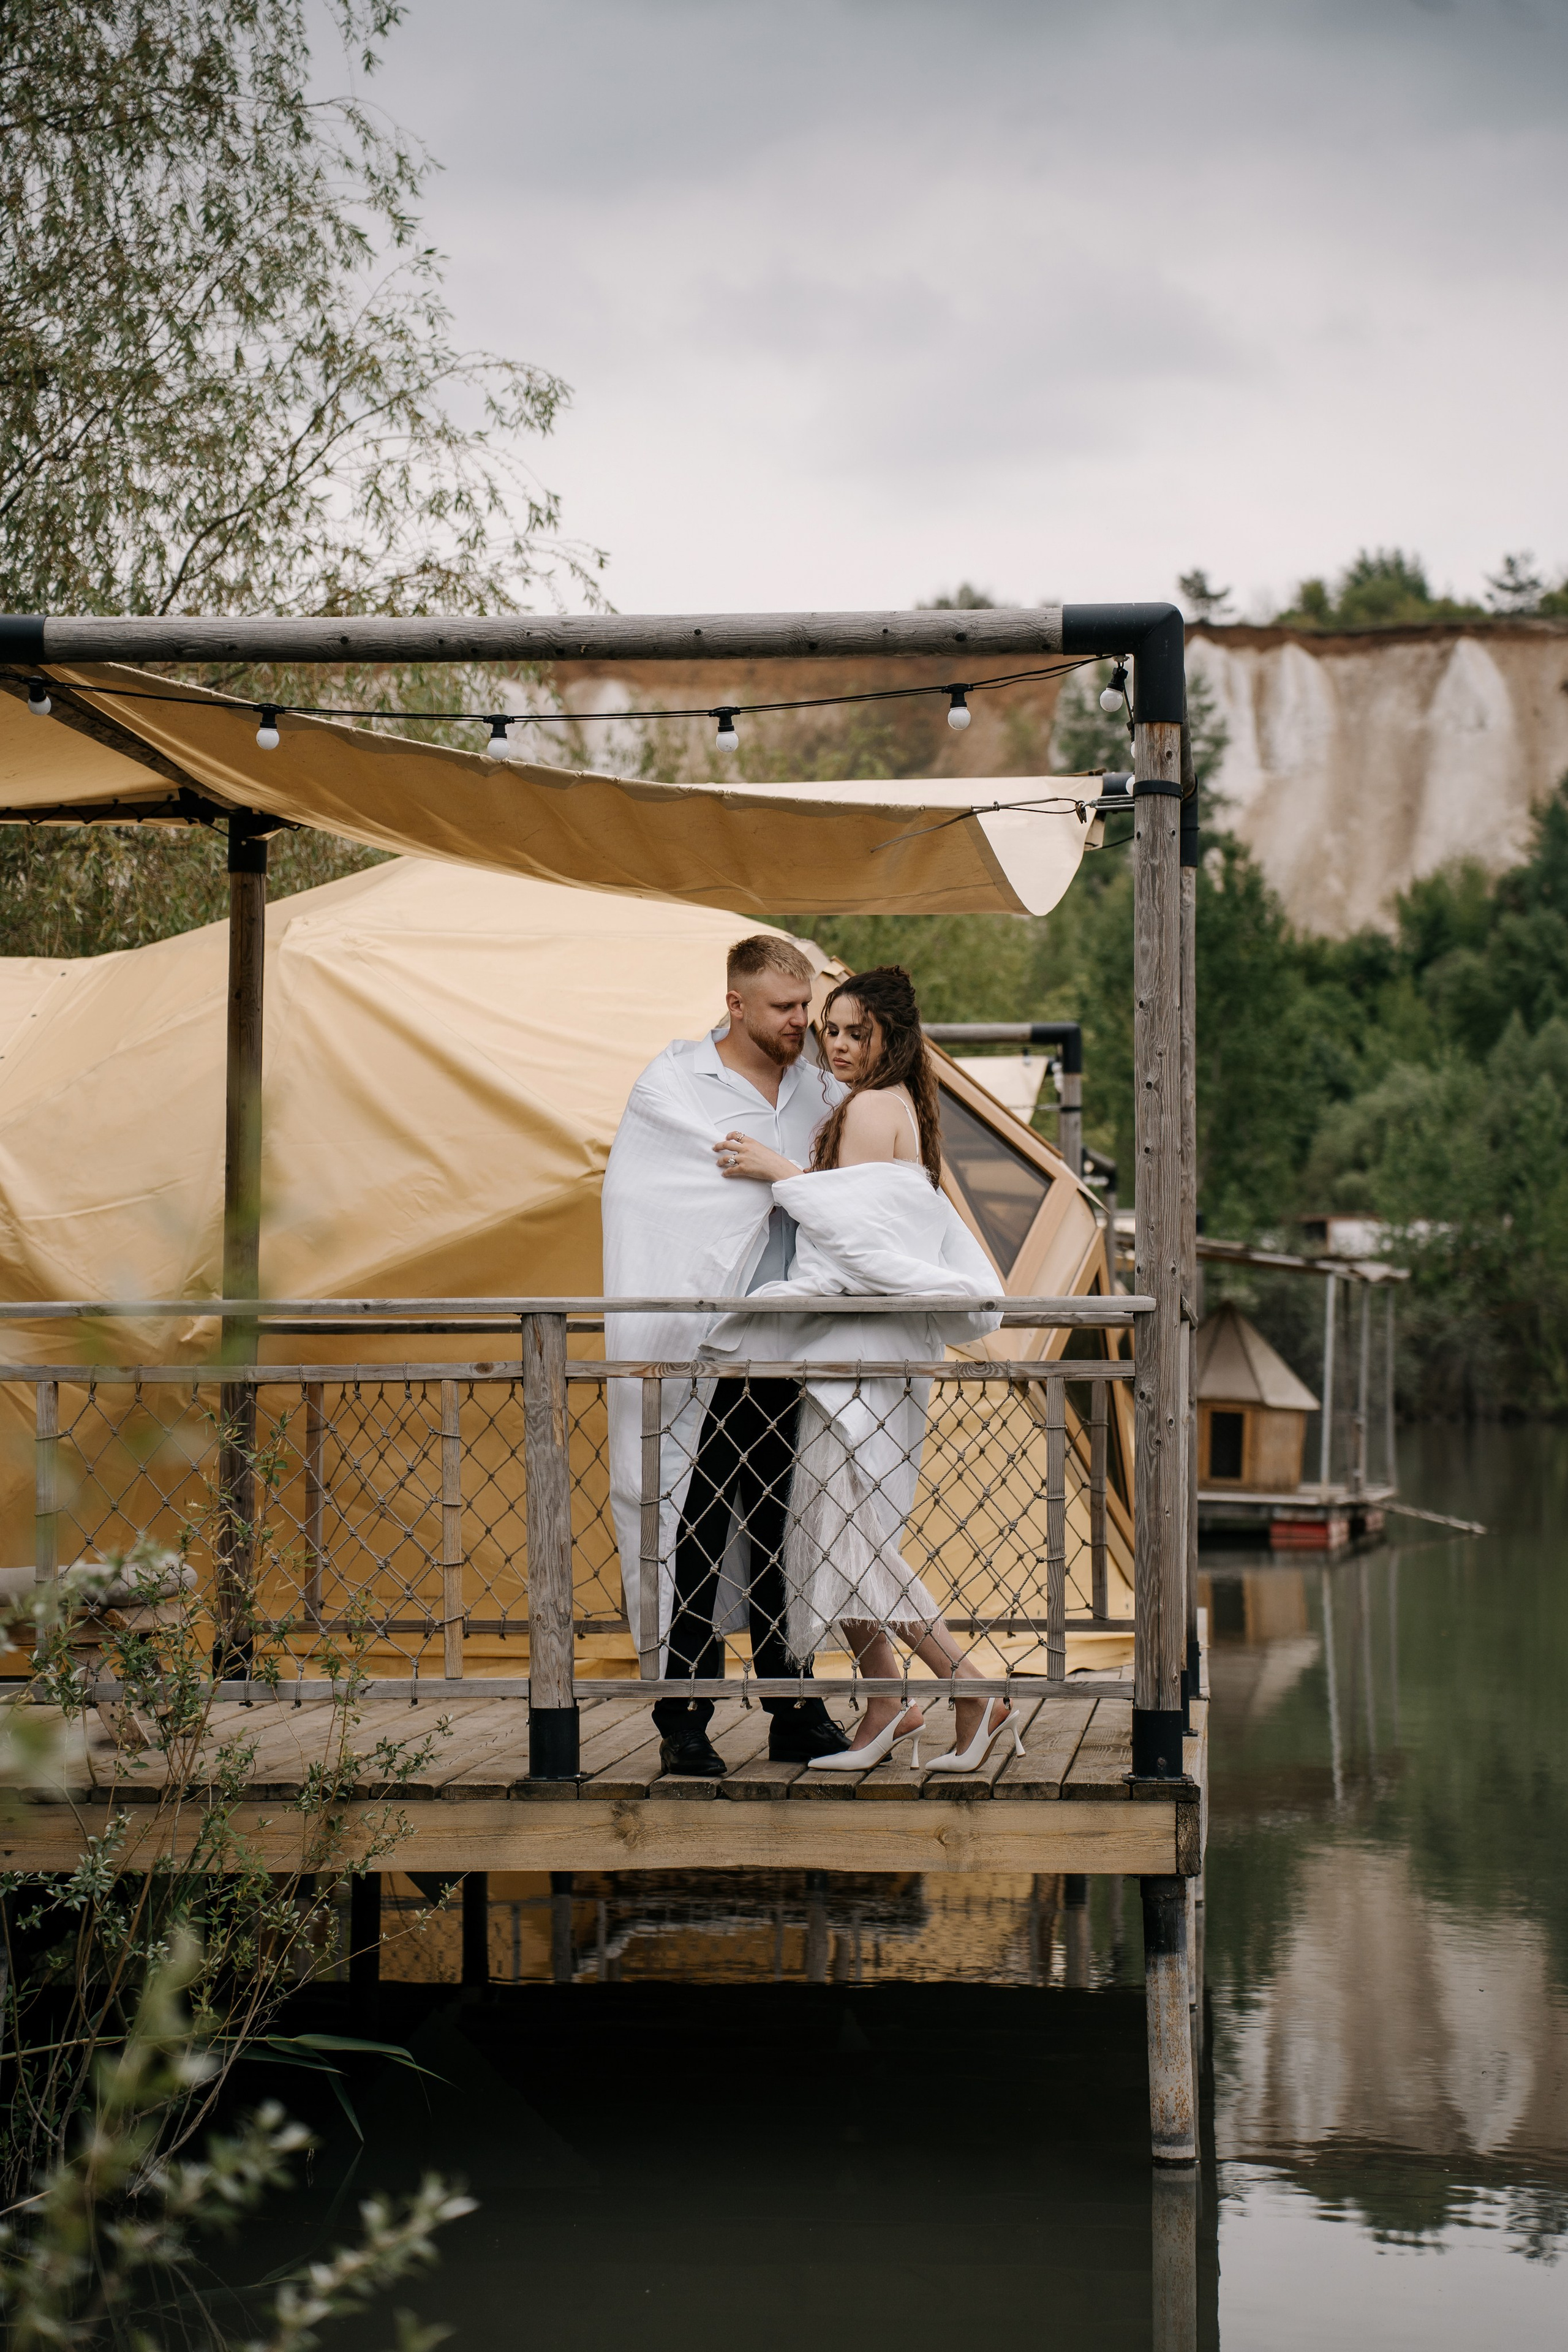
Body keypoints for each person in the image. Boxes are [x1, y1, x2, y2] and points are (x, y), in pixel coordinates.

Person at [704, 966, 1026, 1774]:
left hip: (858, 1359)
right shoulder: (894, 1108)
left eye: (857, 1032)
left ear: (891, 1034)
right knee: (834, 1536)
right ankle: (888, 1697)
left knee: (847, 1540)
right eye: (831, 1032)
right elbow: (860, 1224)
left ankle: (966, 1685)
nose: (840, 1046)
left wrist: (778, 1172)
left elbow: (856, 1240)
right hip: (860, 1352)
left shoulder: (873, 1108)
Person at [602, 934, 851, 1779]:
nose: (801, 1023)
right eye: (785, 1009)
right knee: (697, 1535)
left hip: (796, 1353)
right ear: (736, 1004)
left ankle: (793, 1710)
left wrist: (784, 1180)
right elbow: (655, 1203)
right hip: (706, 1357)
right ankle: (685, 1720)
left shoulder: (822, 1092)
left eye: (806, 1007)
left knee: (793, 1533)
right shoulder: (677, 1088)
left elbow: (849, 1198)